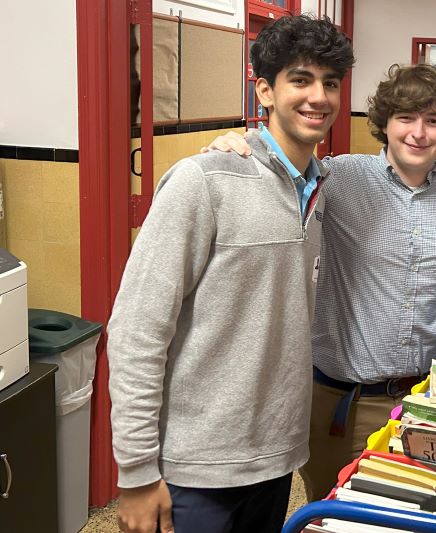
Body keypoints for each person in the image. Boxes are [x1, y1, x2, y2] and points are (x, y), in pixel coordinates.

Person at [106, 15, 354, 533]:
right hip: (196, 465)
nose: (319, 97)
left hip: (275, 456)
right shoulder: (204, 180)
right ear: (264, 89)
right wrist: (134, 472)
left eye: (330, 83)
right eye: (301, 80)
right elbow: (136, 332)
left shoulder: (319, 187)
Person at [205, 63, 436, 501]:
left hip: (428, 396)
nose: (419, 133)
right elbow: (278, 175)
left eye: (434, 121)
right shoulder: (341, 177)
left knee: (414, 515)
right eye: (406, 118)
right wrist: (237, 145)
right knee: (330, 511)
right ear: (385, 125)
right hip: (341, 401)